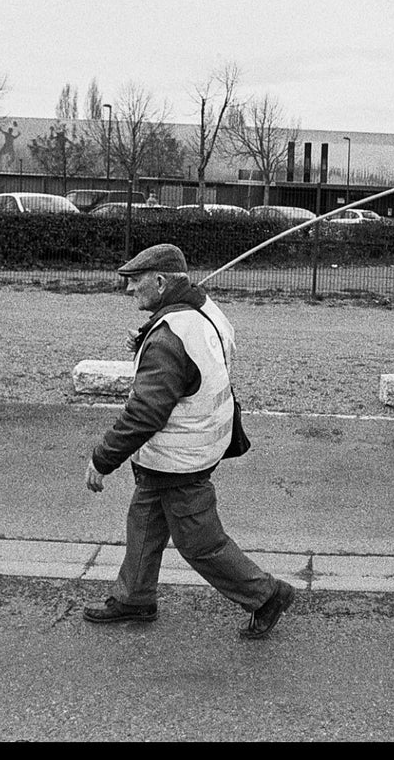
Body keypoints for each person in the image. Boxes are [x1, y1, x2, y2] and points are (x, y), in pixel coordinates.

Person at [82, 243, 296, 639]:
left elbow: (145, 413)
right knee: (145, 521)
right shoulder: (204, 312)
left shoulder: (169, 338)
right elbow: (209, 351)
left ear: (161, 282)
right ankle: (134, 598)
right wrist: (152, 333)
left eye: (135, 282)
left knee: (200, 543)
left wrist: (102, 459)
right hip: (192, 448)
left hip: (180, 456)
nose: (129, 290)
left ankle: (266, 595)